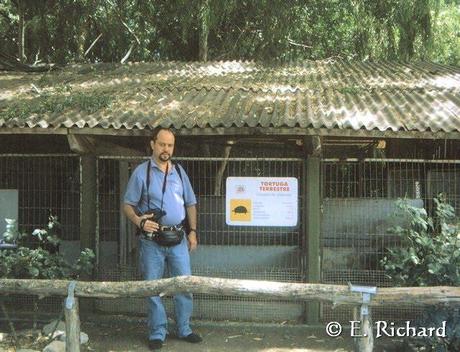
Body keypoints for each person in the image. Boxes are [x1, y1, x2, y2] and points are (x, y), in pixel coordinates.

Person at [123, 127, 202, 351]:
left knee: (184, 285)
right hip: (151, 241)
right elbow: (127, 205)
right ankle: (157, 332)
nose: (166, 149)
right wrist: (139, 221)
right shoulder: (141, 172)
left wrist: (193, 231)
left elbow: (191, 203)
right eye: (162, 144)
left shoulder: (178, 172)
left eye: (170, 145)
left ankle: (184, 329)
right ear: (152, 144)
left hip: (178, 239)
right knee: (152, 286)